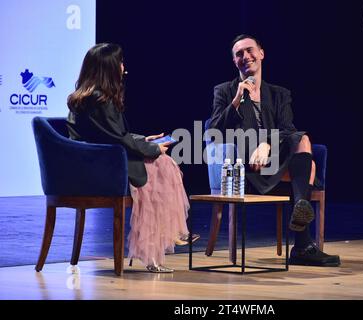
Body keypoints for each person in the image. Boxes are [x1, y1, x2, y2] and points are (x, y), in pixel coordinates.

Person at [66, 43, 198, 273]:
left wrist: (145, 141)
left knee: (162, 164)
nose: (123, 67)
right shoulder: (97, 99)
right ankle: (163, 243)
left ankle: (171, 235)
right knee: (162, 164)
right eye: (119, 62)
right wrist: (154, 149)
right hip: (101, 170)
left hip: (96, 164)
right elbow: (116, 140)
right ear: (108, 68)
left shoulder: (87, 97)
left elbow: (113, 136)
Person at [210, 34, 340, 267]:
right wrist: (238, 98)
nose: (245, 57)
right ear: (234, 61)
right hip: (244, 164)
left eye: (250, 50)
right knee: (307, 161)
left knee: (301, 139)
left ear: (261, 53)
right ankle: (302, 245)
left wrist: (266, 143)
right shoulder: (225, 91)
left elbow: (287, 129)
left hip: (275, 158)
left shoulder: (280, 94)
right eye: (239, 54)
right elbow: (215, 130)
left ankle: (301, 228)